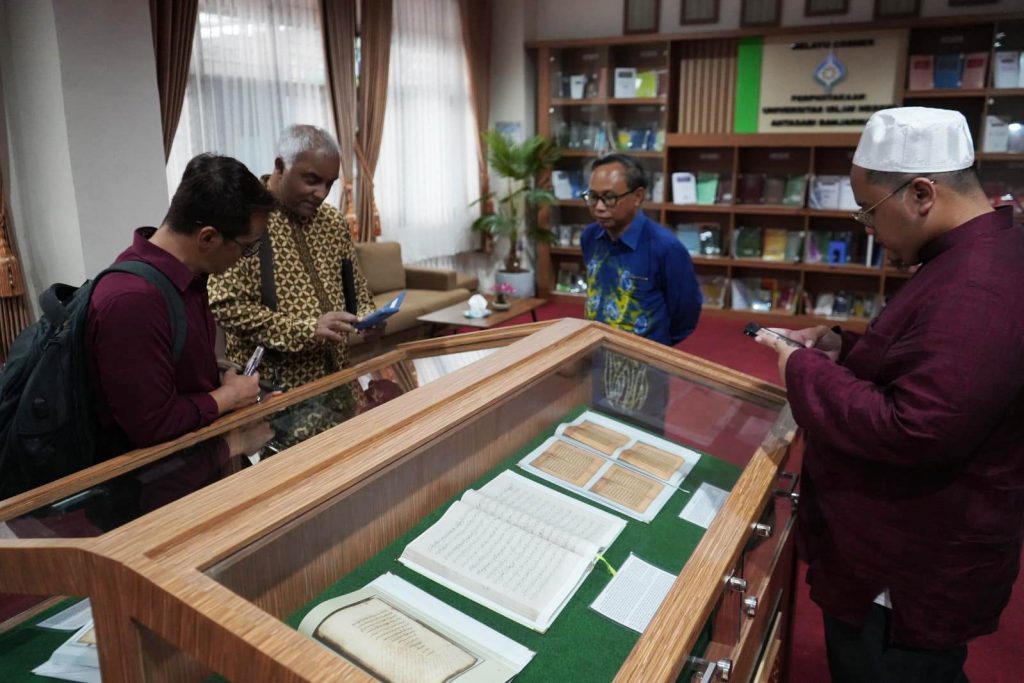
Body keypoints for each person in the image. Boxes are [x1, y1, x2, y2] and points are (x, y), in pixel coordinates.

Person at [754, 107, 1024, 683]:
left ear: (922, 194)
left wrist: (801, 367)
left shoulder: (978, 285)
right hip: (912, 547)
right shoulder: (975, 257)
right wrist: (844, 350)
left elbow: (916, 425)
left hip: (910, 567)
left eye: (869, 210)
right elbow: (930, 366)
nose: (865, 227)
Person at [88, 154, 276, 458]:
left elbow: (181, 378)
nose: (246, 257)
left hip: (197, 461)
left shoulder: (188, 278)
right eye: (247, 247)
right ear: (208, 238)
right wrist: (227, 397)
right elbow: (151, 424)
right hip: (152, 490)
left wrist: (225, 388)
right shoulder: (131, 300)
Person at [209, 124, 377, 392]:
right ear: (279, 166)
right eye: (311, 180)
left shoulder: (333, 222)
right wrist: (306, 330)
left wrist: (369, 318)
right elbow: (225, 305)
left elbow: (355, 290)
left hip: (339, 380)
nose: (321, 194)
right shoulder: (245, 218)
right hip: (276, 392)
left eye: (329, 184)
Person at [580, 153, 702, 430]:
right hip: (596, 358)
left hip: (644, 370)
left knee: (641, 439)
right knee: (595, 429)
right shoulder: (590, 237)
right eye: (592, 196)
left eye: (609, 197)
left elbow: (686, 312)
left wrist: (655, 349)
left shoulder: (665, 248)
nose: (598, 207)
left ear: (637, 196)